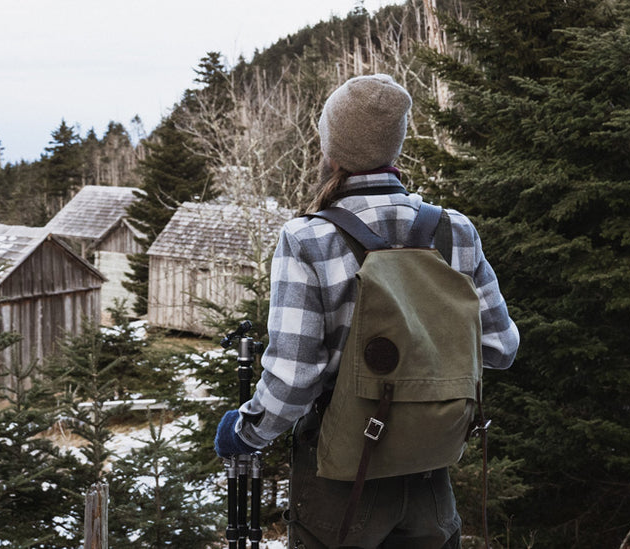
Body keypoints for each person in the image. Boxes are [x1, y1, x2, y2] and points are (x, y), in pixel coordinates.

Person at [213, 74, 520, 549]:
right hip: (430, 473)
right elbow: (500, 348)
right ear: (395, 145)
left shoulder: (307, 238)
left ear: (331, 150)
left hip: (343, 482)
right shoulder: (455, 230)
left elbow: (293, 380)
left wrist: (244, 432)